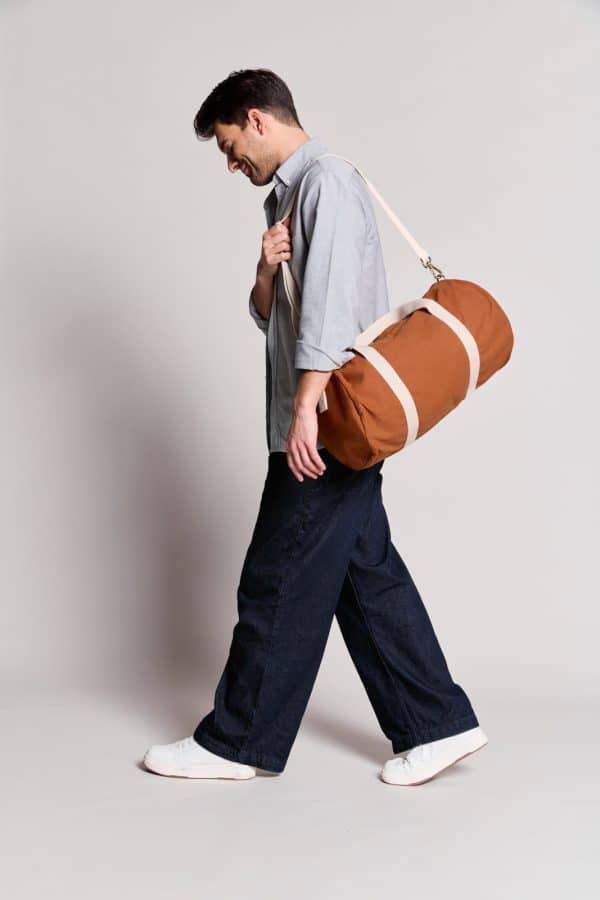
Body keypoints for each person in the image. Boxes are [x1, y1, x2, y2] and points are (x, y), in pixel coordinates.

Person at [143, 68, 488, 785]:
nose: (231, 164)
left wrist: (305, 412)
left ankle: (236, 743)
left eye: (231, 147)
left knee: (274, 579)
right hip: (327, 417)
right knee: (365, 576)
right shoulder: (288, 196)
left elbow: (331, 312)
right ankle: (438, 724)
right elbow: (277, 317)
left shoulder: (325, 182)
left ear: (257, 119)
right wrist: (263, 274)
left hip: (327, 420)